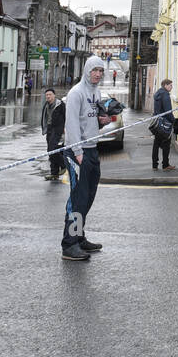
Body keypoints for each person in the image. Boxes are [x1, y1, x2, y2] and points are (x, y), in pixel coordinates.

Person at [60, 56, 111, 262]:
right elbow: (72, 125)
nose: (98, 74)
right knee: (77, 198)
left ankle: (79, 237)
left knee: (89, 196)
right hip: (76, 152)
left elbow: (90, 122)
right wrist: (78, 152)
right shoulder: (76, 93)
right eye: (94, 70)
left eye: (100, 70)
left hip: (92, 149)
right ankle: (69, 244)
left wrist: (102, 121)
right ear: (87, 70)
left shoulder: (95, 92)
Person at [40, 87, 66, 182]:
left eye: (50, 94)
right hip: (49, 129)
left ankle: (63, 165)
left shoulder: (60, 105)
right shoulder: (46, 105)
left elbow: (66, 116)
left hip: (57, 129)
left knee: (52, 149)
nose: (48, 96)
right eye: (47, 95)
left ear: (54, 95)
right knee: (50, 151)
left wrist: (65, 128)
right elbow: (45, 117)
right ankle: (54, 173)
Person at [151, 79, 176, 171]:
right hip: (165, 123)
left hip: (157, 122)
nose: (171, 87)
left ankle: (154, 165)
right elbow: (168, 111)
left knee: (156, 144)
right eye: (170, 85)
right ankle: (165, 165)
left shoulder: (158, 93)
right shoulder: (165, 94)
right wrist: (173, 121)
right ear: (165, 85)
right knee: (166, 144)